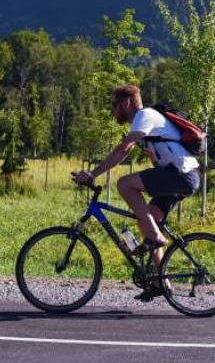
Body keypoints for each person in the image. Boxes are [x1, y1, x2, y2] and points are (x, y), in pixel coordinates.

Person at [72, 84, 200, 300]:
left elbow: (123, 149)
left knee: (124, 184)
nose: (112, 111)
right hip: (180, 174)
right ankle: (161, 283)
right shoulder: (145, 123)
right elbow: (135, 152)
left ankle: (156, 237)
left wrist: (93, 174)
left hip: (181, 175)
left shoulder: (145, 115)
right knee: (146, 220)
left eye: (114, 105)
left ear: (127, 103)